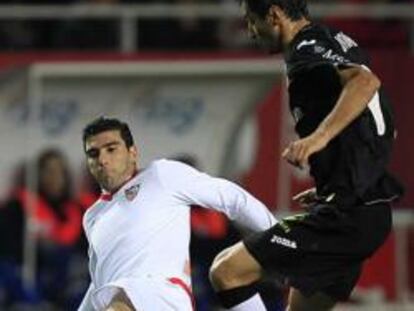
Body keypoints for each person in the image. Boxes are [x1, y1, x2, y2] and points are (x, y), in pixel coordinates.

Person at [208, 0, 404, 310]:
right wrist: (338, 180)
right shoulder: (335, 41)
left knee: (226, 270)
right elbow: (381, 127)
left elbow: (366, 83)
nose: (250, 31)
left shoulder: (307, 49)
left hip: (347, 217)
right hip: (361, 210)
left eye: (251, 20)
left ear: (273, 14)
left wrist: (317, 138)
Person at [77, 117, 276, 311]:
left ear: (132, 152)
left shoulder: (162, 175)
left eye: (111, 149)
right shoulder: (93, 216)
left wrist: (281, 236)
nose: (102, 160)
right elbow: (99, 281)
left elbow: (233, 198)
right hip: (119, 298)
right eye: (93, 154)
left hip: (160, 294)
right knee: (112, 297)